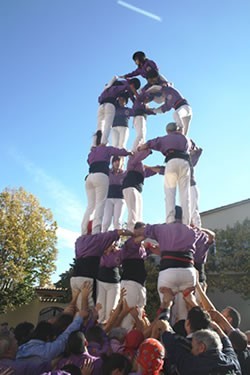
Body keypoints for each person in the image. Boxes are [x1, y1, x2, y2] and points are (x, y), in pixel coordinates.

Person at [134, 207, 211, 322]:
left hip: (168, 272)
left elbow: (139, 231)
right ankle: (193, 329)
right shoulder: (192, 230)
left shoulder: (162, 228)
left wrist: (140, 237)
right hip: (188, 272)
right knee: (185, 312)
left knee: (167, 305)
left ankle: (167, 326)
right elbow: (210, 237)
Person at [138, 122, 191, 225]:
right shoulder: (186, 139)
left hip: (171, 162)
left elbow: (150, 143)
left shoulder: (165, 139)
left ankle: (170, 219)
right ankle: (186, 221)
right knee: (185, 193)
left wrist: (140, 148)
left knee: (170, 192)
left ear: (167, 131)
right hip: (185, 163)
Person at [81, 130, 131, 235]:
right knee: (100, 204)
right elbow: (119, 151)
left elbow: (88, 161)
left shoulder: (92, 153)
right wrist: (128, 152)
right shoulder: (107, 149)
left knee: (90, 206)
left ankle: (84, 230)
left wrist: (95, 150)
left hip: (90, 177)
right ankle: (95, 231)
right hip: (101, 176)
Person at [71, 229, 132, 309]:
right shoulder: (99, 251)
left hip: (112, 282)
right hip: (99, 281)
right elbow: (119, 232)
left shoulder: (117, 253)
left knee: (108, 309)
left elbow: (127, 252)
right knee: (96, 310)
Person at [162, 325, 242, 374]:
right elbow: (228, 344)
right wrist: (217, 328)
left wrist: (165, 328)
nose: (191, 351)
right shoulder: (232, 362)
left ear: (201, 347)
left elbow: (173, 346)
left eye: (192, 347)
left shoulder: (194, 366)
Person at [97, 76, 140, 145]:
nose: (121, 100)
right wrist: (135, 95)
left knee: (100, 125)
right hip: (110, 109)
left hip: (102, 106)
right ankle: (101, 143)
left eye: (123, 99)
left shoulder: (126, 110)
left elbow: (135, 110)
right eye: (120, 99)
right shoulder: (125, 86)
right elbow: (131, 94)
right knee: (106, 126)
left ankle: (99, 142)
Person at [122, 149, 158, 231]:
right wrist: (147, 151)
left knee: (139, 212)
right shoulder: (132, 159)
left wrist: (162, 168)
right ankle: (131, 230)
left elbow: (150, 171)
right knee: (133, 210)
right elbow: (138, 157)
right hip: (130, 187)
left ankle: (139, 230)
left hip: (137, 189)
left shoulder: (141, 168)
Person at [101, 156, 126, 232]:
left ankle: (116, 242)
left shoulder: (125, 173)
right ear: (112, 163)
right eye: (115, 161)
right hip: (109, 198)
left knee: (117, 221)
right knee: (106, 221)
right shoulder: (108, 172)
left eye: (119, 161)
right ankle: (102, 238)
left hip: (120, 198)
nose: (117, 163)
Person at [189, 140, 203, 228]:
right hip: (184, 188)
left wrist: (192, 148)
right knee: (188, 212)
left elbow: (197, 151)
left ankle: (198, 229)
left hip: (190, 186)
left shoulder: (190, 159)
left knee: (193, 210)